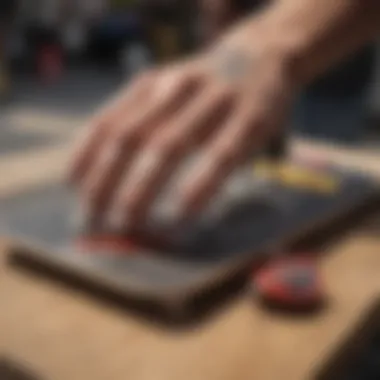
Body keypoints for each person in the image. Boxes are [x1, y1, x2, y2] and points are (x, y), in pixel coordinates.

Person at [68, 0, 380, 233]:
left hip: (332, 69)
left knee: (329, 209)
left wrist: (271, 44)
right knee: (256, 170)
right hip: (269, 64)